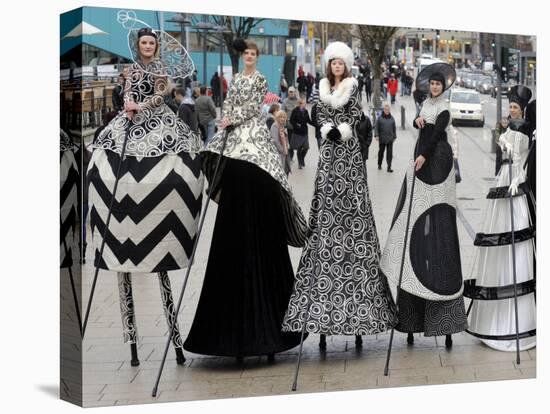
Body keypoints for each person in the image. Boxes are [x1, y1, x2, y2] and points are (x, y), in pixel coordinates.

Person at [183, 38, 307, 360]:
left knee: (266, 172)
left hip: (251, 135)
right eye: (247, 54)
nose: (250, 57)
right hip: (234, 137)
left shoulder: (260, 79)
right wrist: (227, 120)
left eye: (254, 54)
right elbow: (230, 103)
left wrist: (233, 119)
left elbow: (255, 106)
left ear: (257, 56)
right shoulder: (235, 79)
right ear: (241, 56)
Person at [87, 26, 203, 366]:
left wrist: (143, 104)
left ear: (156, 47)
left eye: (153, 43)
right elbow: (123, 95)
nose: (149, 47)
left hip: (157, 124)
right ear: (138, 46)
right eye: (145, 43)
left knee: (179, 165)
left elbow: (162, 95)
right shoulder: (130, 70)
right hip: (127, 123)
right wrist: (128, 105)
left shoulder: (160, 71)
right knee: (103, 163)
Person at [282, 41, 397, 350]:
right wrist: (324, 127)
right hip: (329, 154)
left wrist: (342, 129)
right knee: (326, 193)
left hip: (347, 152)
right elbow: (317, 112)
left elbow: (357, 113)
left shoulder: (352, 87)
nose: (337, 66)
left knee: (353, 198)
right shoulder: (320, 87)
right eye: (333, 62)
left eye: (340, 63)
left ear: (346, 66)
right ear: (328, 65)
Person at [380, 63, 467, 349]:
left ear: (444, 87)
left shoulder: (444, 108)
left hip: (435, 162)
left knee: (438, 228)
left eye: (438, 85)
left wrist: (424, 155)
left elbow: (436, 134)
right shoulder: (425, 105)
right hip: (421, 162)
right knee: (412, 224)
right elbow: (424, 128)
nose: (434, 88)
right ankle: (410, 315)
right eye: (432, 85)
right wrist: (419, 123)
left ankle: (442, 318)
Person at [464, 86, 536, 352]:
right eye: (511, 106)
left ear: (523, 109)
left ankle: (518, 317)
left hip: (515, 180)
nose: (512, 110)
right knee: (499, 229)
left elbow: (524, 157)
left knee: (516, 232)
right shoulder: (507, 125)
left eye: (516, 107)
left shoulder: (526, 128)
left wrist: (520, 177)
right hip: (504, 178)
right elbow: (502, 154)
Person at [289, 98, 313, 169]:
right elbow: (291, 120)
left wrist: (316, 124)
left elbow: (308, 120)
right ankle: (300, 163)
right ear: (300, 104)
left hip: (305, 132)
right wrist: (296, 125)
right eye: (304, 103)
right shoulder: (295, 111)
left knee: (306, 148)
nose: (305, 104)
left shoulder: (305, 111)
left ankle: (302, 159)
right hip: (297, 132)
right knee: (299, 148)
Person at [375, 103, 397, 172]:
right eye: (386, 109)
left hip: (390, 139)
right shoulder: (380, 118)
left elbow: (394, 128)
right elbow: (376, 128)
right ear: (383, 110)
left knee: (389, 154)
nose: (387, 111)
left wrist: (394, 136)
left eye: (388, 109)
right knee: (381, 152)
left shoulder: (392, 118)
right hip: (382, 139)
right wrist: (376, 135)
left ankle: (389, 167)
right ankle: (379, 164)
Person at [270, 110, 290, 175]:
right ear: (277, 117)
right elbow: (275, 140)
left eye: (284, 117)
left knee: (285, 171)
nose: (282, 118)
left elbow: (284, 138)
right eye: (280, 117)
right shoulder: (275, 126)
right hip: (278, 153)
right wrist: (282, 150)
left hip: (284, 152)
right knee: (280, 172)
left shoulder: (281, 125)